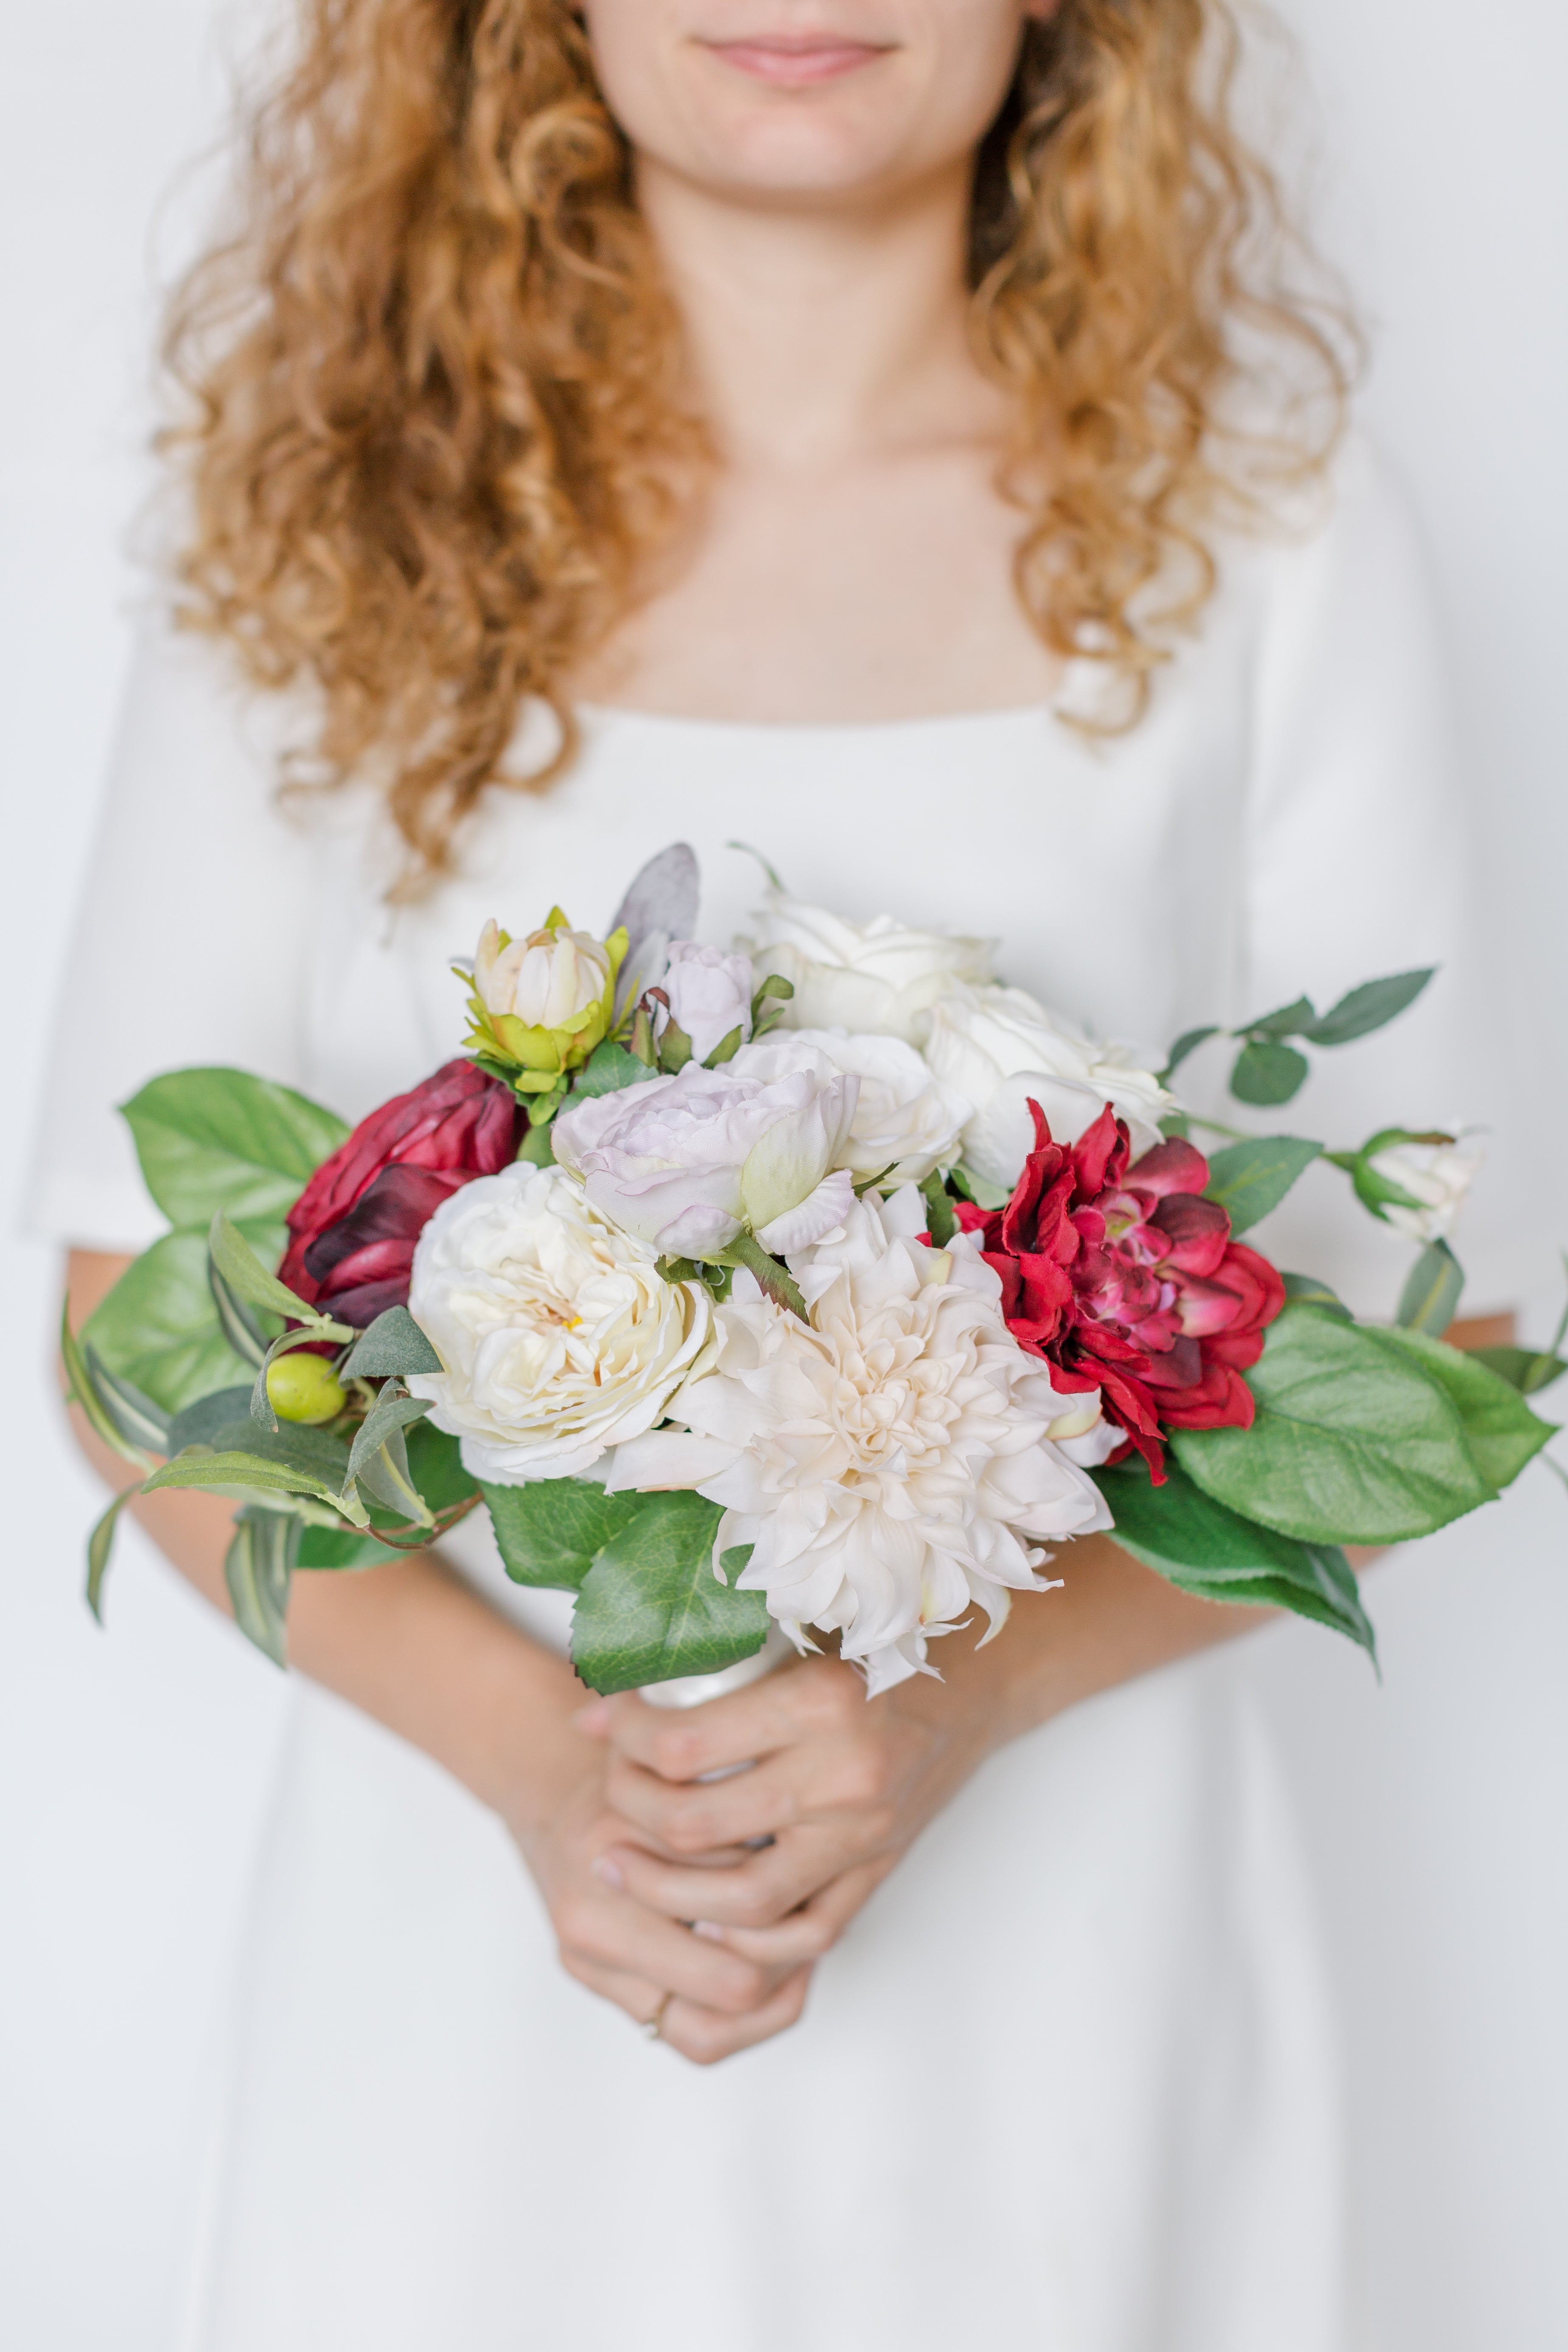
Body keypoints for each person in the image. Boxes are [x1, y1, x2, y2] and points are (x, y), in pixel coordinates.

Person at [34, 3, 1521, 2346]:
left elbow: (1446, 1335)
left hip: (1073, 1993)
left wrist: (960, 1706)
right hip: (476, 1988)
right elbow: (129, 1318)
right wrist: (542, 1766)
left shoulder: (1267, 529)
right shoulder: (338, 520)